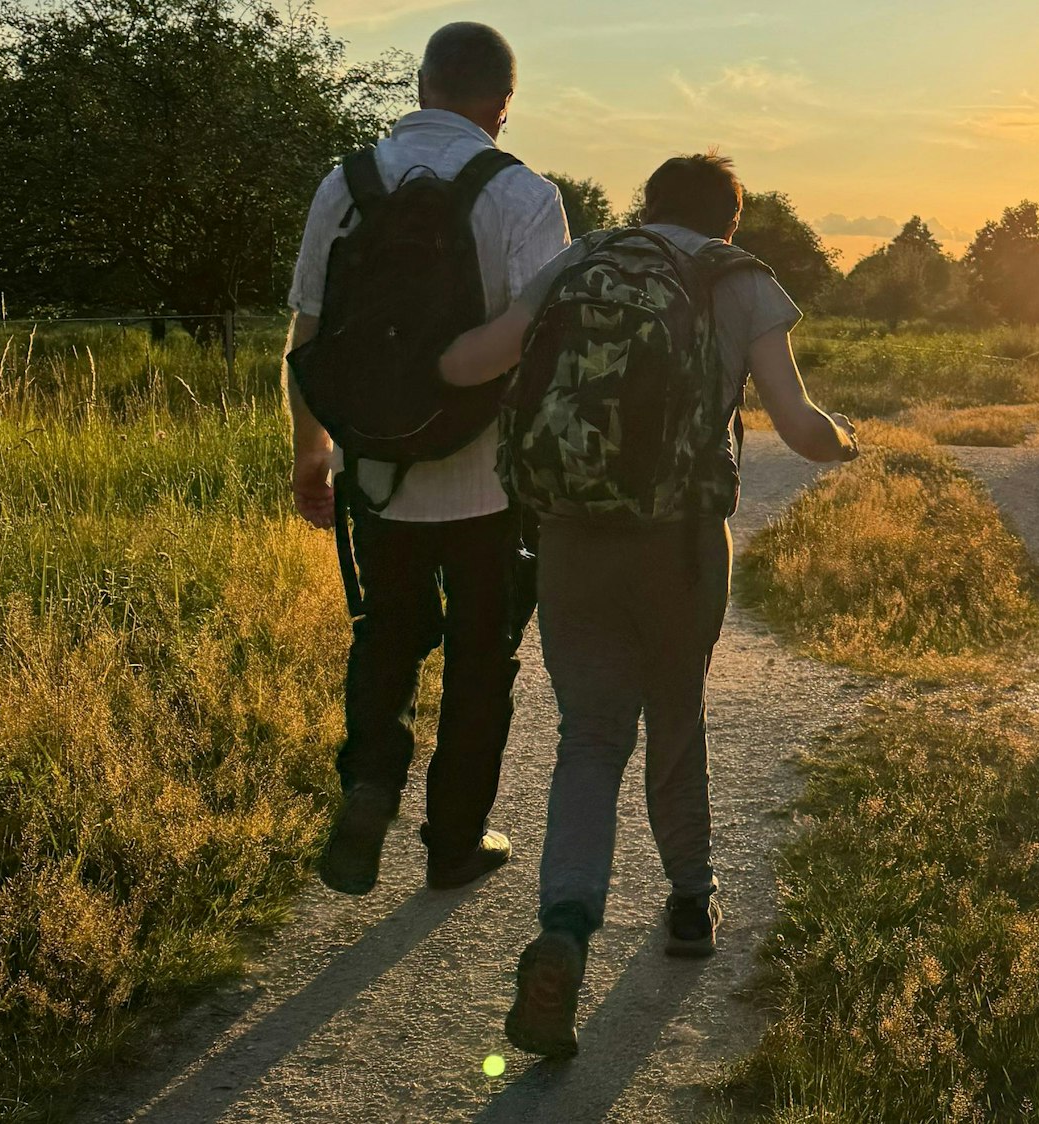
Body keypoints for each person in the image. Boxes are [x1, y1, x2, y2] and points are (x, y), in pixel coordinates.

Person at [439, 153, 860, 1058]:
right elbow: (796, 423)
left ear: (646, 205)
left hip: (567, 538)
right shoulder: (735, 278)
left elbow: (475, 359)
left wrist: (391, 367)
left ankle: (563, 928)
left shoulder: (585, 257)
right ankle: (687, 905)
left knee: (590, 738)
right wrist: (844, 443)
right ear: (729, 223)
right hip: (678, 543)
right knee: (676, 713)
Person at [283, 22, 570, 895]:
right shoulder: (525, 195)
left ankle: (371, 786)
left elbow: (308, 332)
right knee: (484, 659)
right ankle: (453, 842)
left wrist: (311, 452)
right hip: (489, 479)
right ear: (504, 104)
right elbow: (546, 348)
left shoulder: (346, 183)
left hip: (375, 469)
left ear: (420, 86)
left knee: (387, 637)